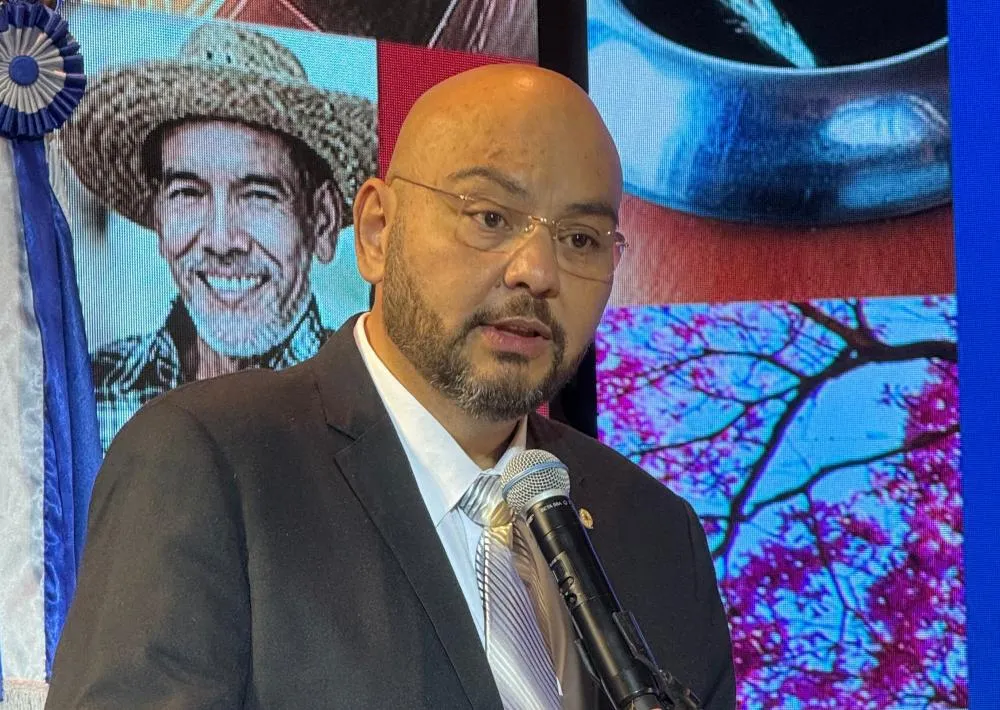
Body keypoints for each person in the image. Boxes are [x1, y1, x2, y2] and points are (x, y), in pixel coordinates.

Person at [46, 64, 735, 709]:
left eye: (581, 238)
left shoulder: (656, 532)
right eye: (490, 217)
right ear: (377, 231)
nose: (536, 271)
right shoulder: (210, 461)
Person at [60, 22, 377, 450]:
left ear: (321, 221)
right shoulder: (91, 398)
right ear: (158, 218)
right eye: (188, 193)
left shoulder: (371, 409)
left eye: (259, 195)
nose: (222, 240)